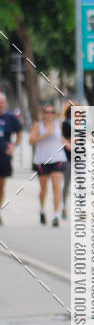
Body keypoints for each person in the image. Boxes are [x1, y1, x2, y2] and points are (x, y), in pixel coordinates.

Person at [29, 103, 67, 226]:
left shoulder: (59, 125)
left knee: (56, 187)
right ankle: (42, 210)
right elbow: (31, 141)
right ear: (43, 113)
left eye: (51, 112)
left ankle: (56, 215)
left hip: (58, 159)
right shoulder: (38, 126)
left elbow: (62, 138)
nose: (49, 114)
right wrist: (45, 134)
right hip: (42, 160)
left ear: (54, 114)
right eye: (46, 112)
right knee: (43, 189)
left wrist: (68, 144)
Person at [0, 92, 23, 225]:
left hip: (4, 156)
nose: (0, 104)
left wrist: (13, 146)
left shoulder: (10, 118)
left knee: (1, 186)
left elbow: (19, 134)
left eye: (2, 102)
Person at [61, 101, 73, 219]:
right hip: (68, 158)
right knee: (66, 184)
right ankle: (63, 207)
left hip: (81, 157)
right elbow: (62, 138)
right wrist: (67, 143)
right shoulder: (64, 124)